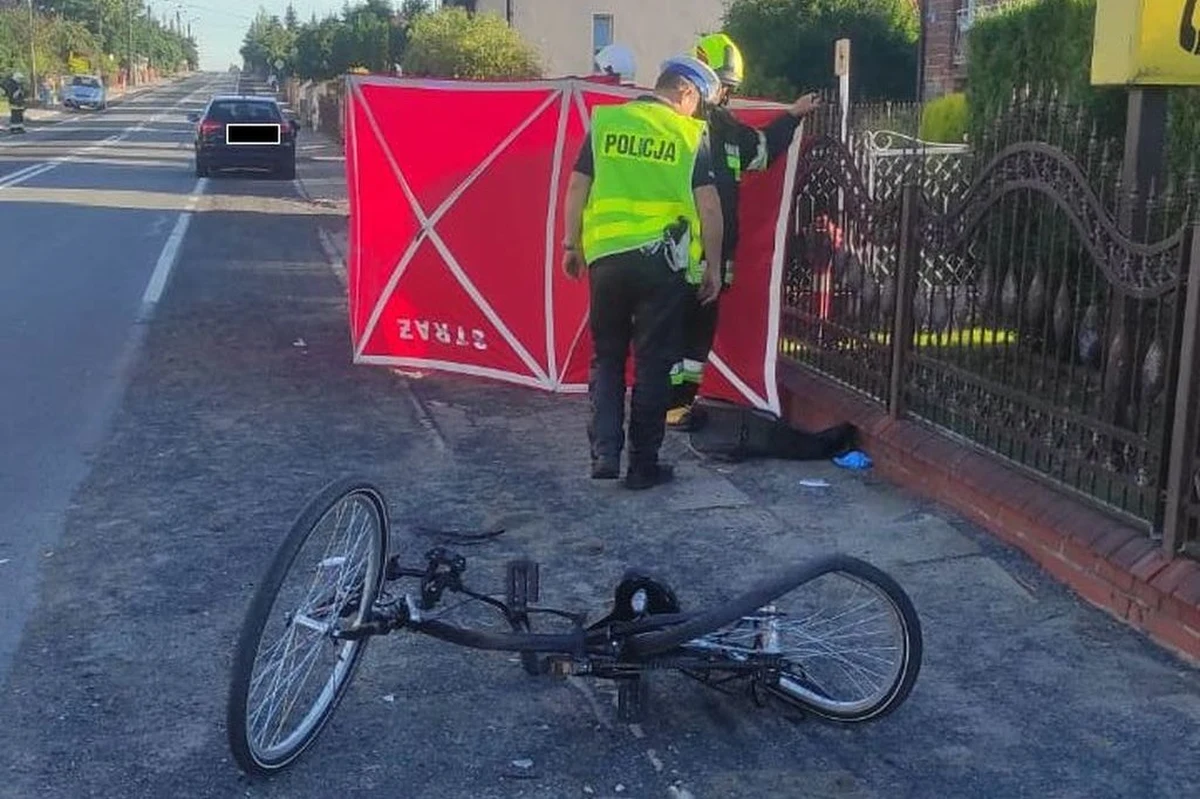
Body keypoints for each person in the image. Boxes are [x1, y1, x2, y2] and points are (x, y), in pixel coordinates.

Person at [561, 56, 725, 490]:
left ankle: (604, 453)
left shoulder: (608, 122)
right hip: (663, 266)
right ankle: (642, 467)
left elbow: (578, 186)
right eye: (698, 103)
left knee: (608, 355)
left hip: (607, 261)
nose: (697, 113)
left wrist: (571, 244)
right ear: (685, 91)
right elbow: (709, 205)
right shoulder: (689, 135)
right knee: (653, 364)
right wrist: (712, 264)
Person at [666, 32, 821, 429]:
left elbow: (763, 151)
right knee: (675, 334)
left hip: (706, 256)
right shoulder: (672, 126)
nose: (725, 98)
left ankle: (676, 406)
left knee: (693, 337)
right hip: (676, 252)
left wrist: (792, 115)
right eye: (722, 89)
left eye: (729, 91)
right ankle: (668, 405)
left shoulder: (726, 128)